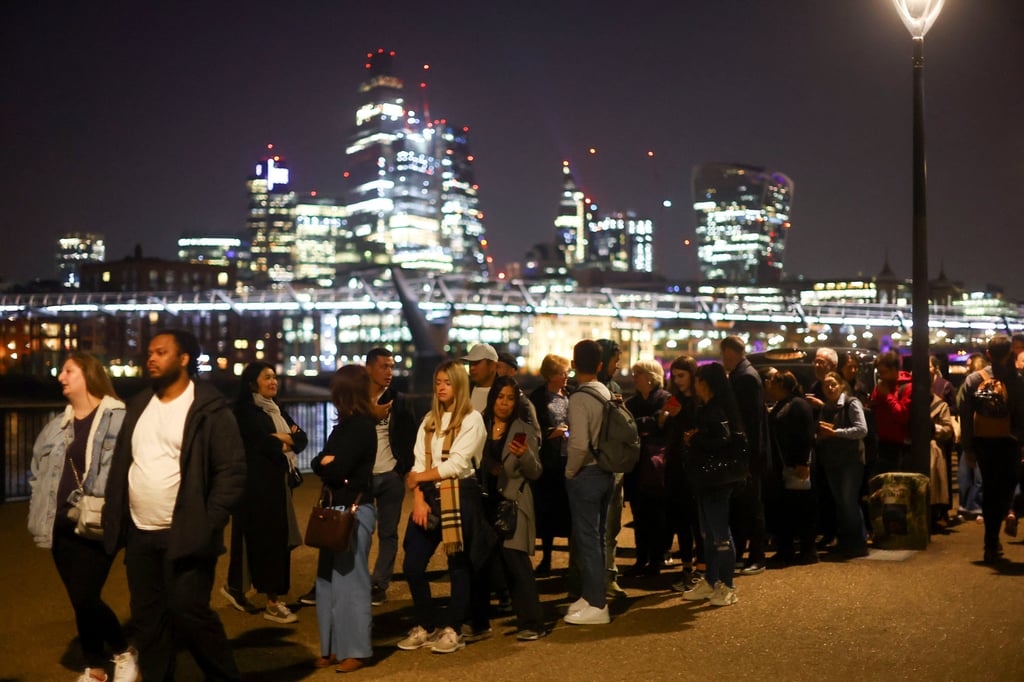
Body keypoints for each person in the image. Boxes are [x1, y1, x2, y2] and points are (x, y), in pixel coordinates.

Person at [103, 329, 245, 681]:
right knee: (148, 621)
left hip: (187, 532)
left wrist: (207, 521)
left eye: (161, 352)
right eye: (149, 352)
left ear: (183, 359)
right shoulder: (139, 405)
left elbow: (231, 471)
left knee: (189, 612)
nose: (150, 358)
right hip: (140, 532)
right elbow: (124, 461)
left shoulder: (209, 409)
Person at [28, 352, 138, 682]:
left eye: (68, 371)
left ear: (88, 375)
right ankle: (94, 667)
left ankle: (122, 651)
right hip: (59, 524)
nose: (61, 377)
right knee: (80, 598)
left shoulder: (119, 419)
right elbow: (36, 472)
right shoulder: (55, 426)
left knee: (86, 594)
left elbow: (131, 469)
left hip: (97, 521)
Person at [398, 360, 491, 654]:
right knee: (412, 564)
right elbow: (418, 461)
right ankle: (427, 624)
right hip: (429, 496)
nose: (440, 387)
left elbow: (457, 464)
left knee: (458, 565)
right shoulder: (429, 420)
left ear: (459, 385)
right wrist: (419, 498)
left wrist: (416, 480)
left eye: (447, 382)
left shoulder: (471, 419)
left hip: (458, 496)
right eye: (438, 382)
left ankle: (453, 627)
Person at [223, 362, 307, 623]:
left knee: (269, 538)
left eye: (275, 377)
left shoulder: (277, 409)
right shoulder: (244, 411)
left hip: (277, 482)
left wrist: (278, 438)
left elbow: (302, 440)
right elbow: (265, 444)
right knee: (265, 539)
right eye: (267, 377)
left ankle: (236, 588)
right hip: (255, 484)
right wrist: (283, 438)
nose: (274, 382)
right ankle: (273, 602)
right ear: (252, 383)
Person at [310, 365, 378, 673]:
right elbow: (320, 461)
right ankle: (333, 647)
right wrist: (325, 463)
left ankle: (356, 650)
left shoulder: (360, 426)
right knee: (327, 581)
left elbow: (334, 468)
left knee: (350, 582)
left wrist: (325, 463)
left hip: (353, 508)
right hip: (339, 508)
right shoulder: (348, 425)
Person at [474, 377, 547, 640]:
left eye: (510, 398)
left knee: (517, 563)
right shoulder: (480, 424)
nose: (504, 403)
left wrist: (524, 454)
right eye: (500, 397)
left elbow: (536, 471)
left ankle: (532, 623)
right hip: (483, 501)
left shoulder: (523, 430)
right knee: (479, 563)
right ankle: (478, 622)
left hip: (511, 502)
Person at [562, 339, 617, 625]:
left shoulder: (579, 398)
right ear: (599, 365)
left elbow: (579, 445)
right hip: (606, 471)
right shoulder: (605, 392)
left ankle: (597, 604)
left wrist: (570, 472)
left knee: (587, 540)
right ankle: (591, 593)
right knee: (598, 538)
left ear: (573, 365)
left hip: (587, 473)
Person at [957, 334, 1024, 564]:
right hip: (1010, 442)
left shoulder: (973, 380)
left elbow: (965, 416)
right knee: (1005, 489)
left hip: (983, 442)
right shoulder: (1017, 380)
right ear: (1010, 354)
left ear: (987, 354)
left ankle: (990, 541)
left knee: (989, 488)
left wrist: (968, 447)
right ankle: (997, 531)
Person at [681, 362, 743, 607]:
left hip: (716, 480)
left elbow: (721, 443)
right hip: (708, 480)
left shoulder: (717, 411)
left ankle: (727, 585)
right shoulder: (709, 408)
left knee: (720, 535)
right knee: (708, 534)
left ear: (705, 383)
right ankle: (711, 580)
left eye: (697, 380)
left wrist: (695, 439)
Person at [364, 348, 418, 607]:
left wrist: (403, 468)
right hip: (363, 476)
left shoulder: (399, 400)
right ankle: (355, 579)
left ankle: (379, 584)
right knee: (358, 532)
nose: (389, 372)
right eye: (384, 366)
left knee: (388, 533)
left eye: (391, 367)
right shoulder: (357, 399)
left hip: (390, 476)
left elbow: (410, 436)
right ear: (369, 369)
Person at [720, 335, 768, 575]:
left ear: (729, 352)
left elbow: (749, 422)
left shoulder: (744, 378)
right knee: (748, 505)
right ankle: (747, 555)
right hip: (752, 452)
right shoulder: (747, 374)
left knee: (752, 506)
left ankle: (757, 556)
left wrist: (746, 454)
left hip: (749, 453)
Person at [764, 371, 817, 565]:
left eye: (771, 382)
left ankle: (807, 550)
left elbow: (805, 435)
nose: (768, 385)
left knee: (802, 509)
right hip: (785, 466)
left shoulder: (798, 405)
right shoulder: (782, 404)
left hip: (796, 465)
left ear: (780, 385)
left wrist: (803, 462)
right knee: (788, 509)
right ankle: (787, 550)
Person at [527, 353, 573, 575]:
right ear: (551, 375)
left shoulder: (570, 393)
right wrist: (550, 433)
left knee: (570, 511)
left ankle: (573, 561)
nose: (567, 376)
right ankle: (546, 558)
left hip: (570, 459)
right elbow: (532, 429)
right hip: (550, 462)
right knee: (547, 512)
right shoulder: (538, 397)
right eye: (563, 373)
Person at [624, 360, 671, 576]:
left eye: (638, 373)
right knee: (639, 513)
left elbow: (657, 424)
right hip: (637, 464)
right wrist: (650, 423)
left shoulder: (665, 399)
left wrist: (641, 424)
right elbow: (636, 425)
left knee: (658, 512)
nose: (634, 377)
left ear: (651, 376)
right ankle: (642, 557)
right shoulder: (633, 402)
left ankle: (657, 558)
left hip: (655, 465)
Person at [816, 371, 870, 559]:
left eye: (833, 384)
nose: (830, 388)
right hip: (833, 460)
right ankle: (848, 541)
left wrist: (836, 433)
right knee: (841, 503)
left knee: (848, 501)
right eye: (826, 385)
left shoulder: (851, 403)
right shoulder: (827, 408)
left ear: (841, 386)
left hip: (850, 460)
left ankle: (858, 542)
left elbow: (861, 430)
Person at [663, 355, 704, 591]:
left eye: (682, 375)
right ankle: (686, 567)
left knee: (697, 520)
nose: (677, 380)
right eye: (674, 376)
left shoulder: (699, 402)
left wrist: (680, 416)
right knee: (681, 519)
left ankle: (701, 568)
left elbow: (699, 429)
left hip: (694, 465)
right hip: (676, 464)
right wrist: (664, 416)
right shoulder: (675, 399)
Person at [595, 338, 628, 599]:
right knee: (594, 526)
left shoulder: (615, 386)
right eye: (615, 360)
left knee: (612, 526)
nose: (618, 366)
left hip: (615, 466)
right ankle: (594, 579)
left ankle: (609, 575)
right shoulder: (586, 388)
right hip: (596, 465)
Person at [871, 351, 911, 475]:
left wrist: (888, 396)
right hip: (882, 444)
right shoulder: (881, 386)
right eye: (879, 373)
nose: (881, 377)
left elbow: (902, 416)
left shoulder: (907, 387)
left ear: (894, 370)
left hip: (899, 448)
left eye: (884, 372)